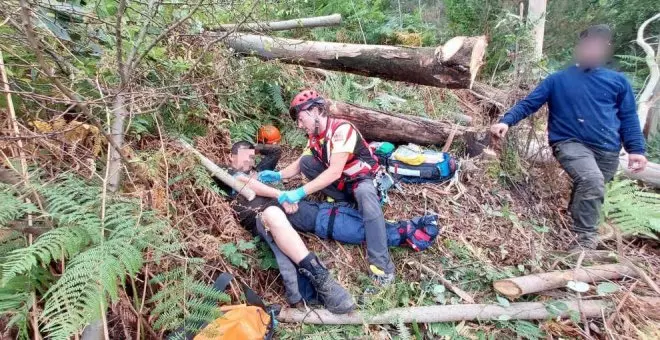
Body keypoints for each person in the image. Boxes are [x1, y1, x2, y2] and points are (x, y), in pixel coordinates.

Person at [489, 25, 648, 250]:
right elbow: (530, 103)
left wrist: (636, 150)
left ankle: (575, 226)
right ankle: (584, 243)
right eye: (589, 45)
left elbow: (628, 117)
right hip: (569, 143)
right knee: (592, 181)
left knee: (591, 186)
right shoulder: (558, 80)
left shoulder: (618, 82)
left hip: (607, 148)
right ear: (580, 47)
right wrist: (506, 121)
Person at [258, 90, 396, 285]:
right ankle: (344, 202)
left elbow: (334, 172)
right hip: (345, 184)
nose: (299, 124)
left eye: (300, 118)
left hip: (363, 180)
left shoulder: (342, 130)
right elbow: (299, 164)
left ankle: (382, 265)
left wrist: (298, 193)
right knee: (307, 162)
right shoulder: (315, 137)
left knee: (364, 193)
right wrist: (278, 175)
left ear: (315, 110)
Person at [218, 141, 355, 314]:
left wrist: (253, 149)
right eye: (242, 157)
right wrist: (282, 195)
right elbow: (245, 183)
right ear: (230, 157)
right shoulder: (224, 171)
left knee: (323, 215)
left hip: (281, 206)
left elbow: (275, 151)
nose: (248, 161)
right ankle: (322, 278)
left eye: (251, 158)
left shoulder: (259, 171)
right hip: (260, 214)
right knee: (273, 214)